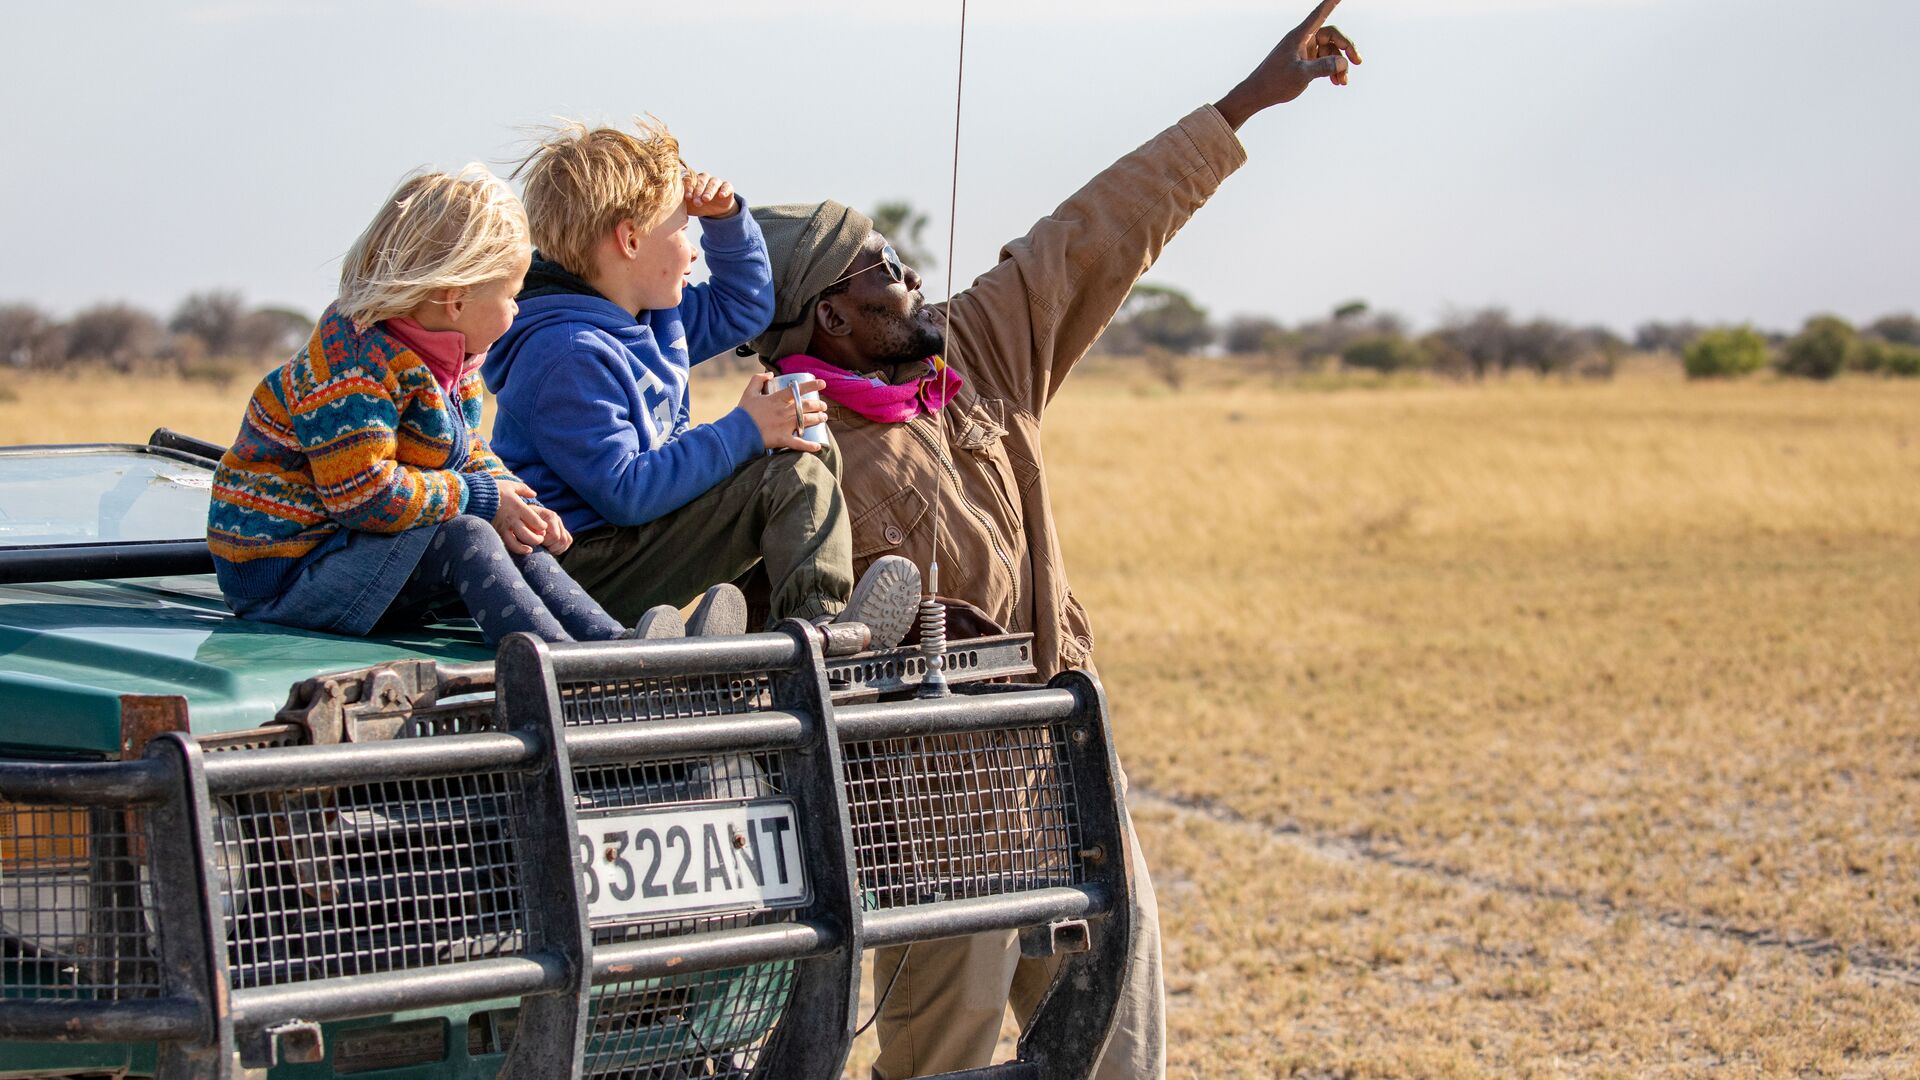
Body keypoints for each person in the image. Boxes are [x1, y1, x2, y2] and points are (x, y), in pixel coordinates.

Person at [745, 3, 1363, 1076]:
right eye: (878, 267)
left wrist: (1248, 102)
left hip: (1065, 764)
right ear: (829, 320)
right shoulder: (784, 448)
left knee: (1117, 1046)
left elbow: (1094, 232)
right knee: (941, 1062)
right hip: (927, 810)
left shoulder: (975, 355)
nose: (909, 274)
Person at [482, 119, 921, 648]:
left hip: (632, 541)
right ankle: (822, 637)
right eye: (682, 231)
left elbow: (744, 306)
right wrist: (744, 431)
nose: (693, 252)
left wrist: (727, 220)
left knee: (809, 444)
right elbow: (626, 493)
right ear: (630, 240)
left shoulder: (651, 316)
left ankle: (775, 622)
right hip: (578, 572)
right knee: (790, 476)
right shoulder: (567, 353)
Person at [207, 166, 681, 646]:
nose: (517, 309)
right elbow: (365, 496)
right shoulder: (349, 372)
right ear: (456, 300)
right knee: (468, 534)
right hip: (289, 576)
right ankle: (560, 662)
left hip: (353, 550)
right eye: (511, 296)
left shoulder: (453, 365)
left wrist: (516, 502)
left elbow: (464, 451)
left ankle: (617, 646)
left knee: (505, 529)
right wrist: (483, 497)